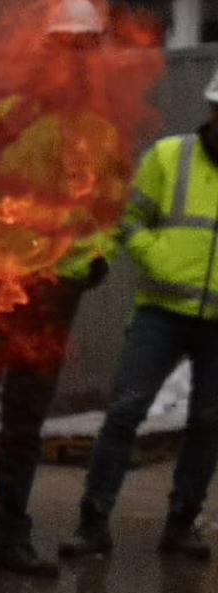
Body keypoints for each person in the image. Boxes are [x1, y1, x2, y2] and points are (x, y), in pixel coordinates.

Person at [0, 0, 128, 579]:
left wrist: (96, 259)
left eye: (86, 49)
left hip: (53, 293)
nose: (78, 61)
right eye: (67, 47)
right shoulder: (11, 112)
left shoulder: (101, 133)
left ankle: (10, 539)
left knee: (24, 423)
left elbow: (106, 215)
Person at [64, 65, 218, 564]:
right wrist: (160, 259)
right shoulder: (171, 157)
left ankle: (181, 526)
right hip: (161, 312)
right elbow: (129, 220)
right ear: (213, 110)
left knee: (207, 424)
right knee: (125, 411)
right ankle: (93, 524)